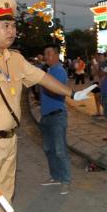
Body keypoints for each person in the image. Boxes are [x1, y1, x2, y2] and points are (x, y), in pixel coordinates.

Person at [0, 0, 94, 212]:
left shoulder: (15, 59)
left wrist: (73, 93)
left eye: (13, 25)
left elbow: (43, 78)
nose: (11, 31)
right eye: (5, 26)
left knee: (4, 198)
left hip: (9, 140)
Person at [38, 44, 71, 195]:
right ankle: (55, 176)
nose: (46, 57)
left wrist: (41, 81)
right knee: (48, 149)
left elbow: (53, 91)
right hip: (46, 116)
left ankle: (65, 180)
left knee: (59, 149)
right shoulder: (49, 71)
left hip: (57, 116)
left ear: (57, 55)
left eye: (49, 53)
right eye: (45, 54)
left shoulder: (59, 71)